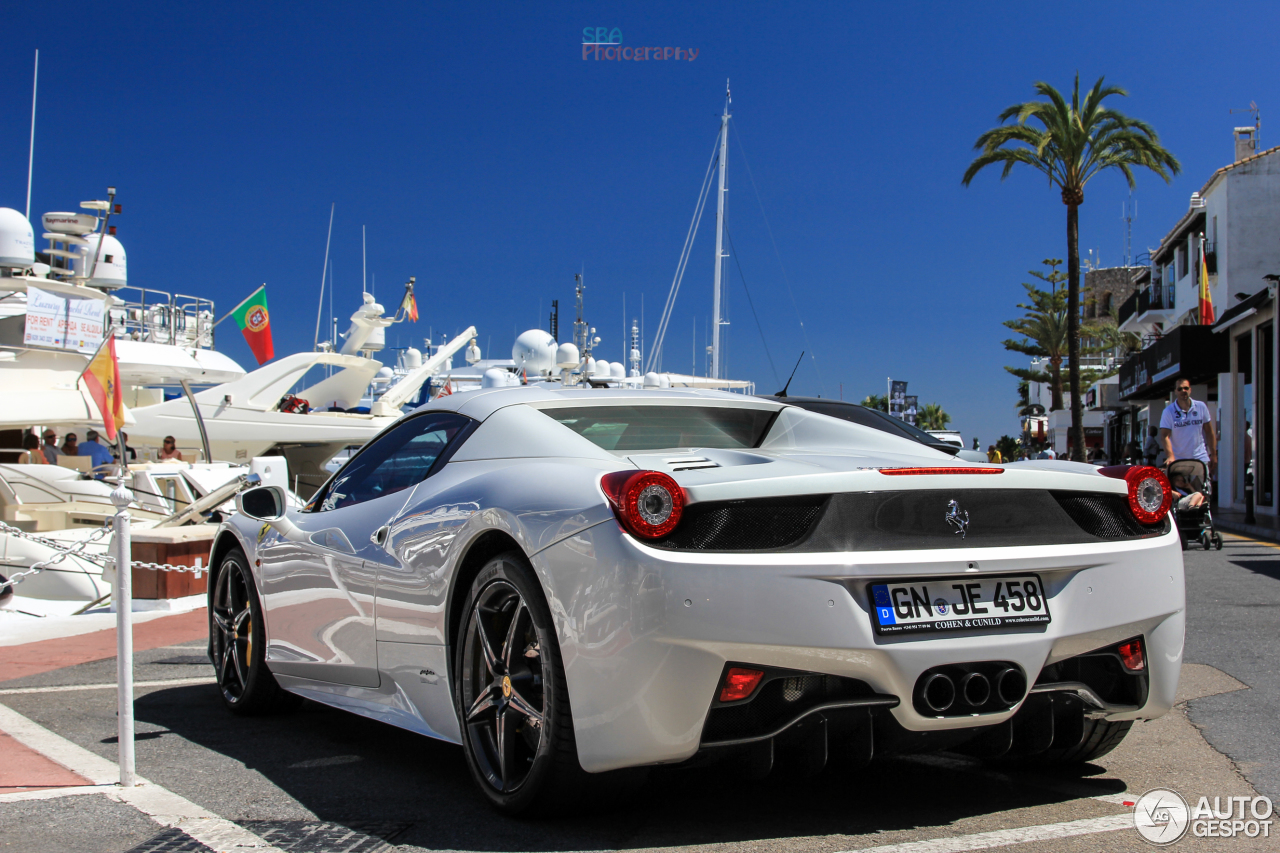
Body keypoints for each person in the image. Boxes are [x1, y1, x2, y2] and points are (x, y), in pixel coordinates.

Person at [1159, 377, 1216, 476]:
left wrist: (1214, 455)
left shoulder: (1201, 407)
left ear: (1190, 390)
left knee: (1201, 489)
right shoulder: (1168, 411)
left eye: (1186, 388)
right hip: (1179, 460)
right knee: (1182, 490)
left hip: (1199, 458)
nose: (1183, 391)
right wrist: (1170, 456)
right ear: (1175, 391)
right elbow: (1165, 436)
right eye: (1180, 389)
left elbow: (1209, 432)